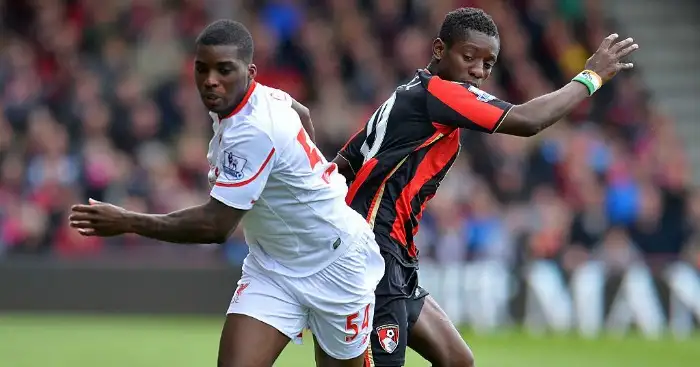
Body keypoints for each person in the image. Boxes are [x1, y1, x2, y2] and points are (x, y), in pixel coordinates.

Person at [331, 7, 638, 367]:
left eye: (488, 63)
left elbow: (345, 163)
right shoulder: (439, 93)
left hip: (394, 254)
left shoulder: (405, 95)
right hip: (375, 254)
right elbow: (527, 120)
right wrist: (591, 77)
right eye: (469, 57)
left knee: (458, 359)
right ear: (439, 50)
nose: (478, 70)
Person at [69, 19, 385, 367]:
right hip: (274, 267)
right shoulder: (263, 98)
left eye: (224, 70)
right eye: (201, 69)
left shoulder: (254, 131)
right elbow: (303, 113)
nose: (210, 80)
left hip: (336, 264)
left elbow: (216, 226)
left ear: (249, 72)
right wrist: (313, 174)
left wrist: (128, 221)